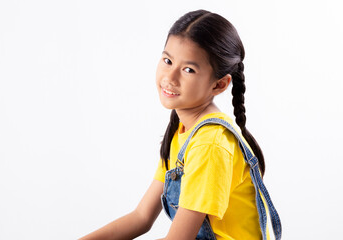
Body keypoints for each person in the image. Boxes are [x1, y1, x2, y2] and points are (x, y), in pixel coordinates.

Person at [79, 9, 281, 240]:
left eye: (188, 70)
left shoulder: (210, 144)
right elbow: (141, 217)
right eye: (168, 61)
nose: (170, 78)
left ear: (219, 85)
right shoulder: (182, 131)